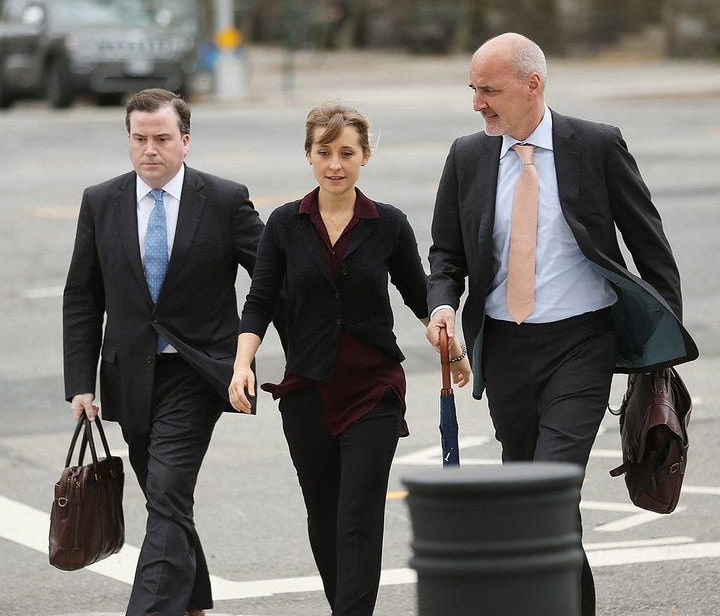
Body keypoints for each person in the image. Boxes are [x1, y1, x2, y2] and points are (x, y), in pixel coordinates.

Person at [425, 33, 698, 616]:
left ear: (533, 85)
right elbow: (445, 255)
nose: (478, 104)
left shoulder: (595, 145)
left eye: (490, 90)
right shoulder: (467, 157)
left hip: (580, 345)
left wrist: (660, 355)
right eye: (473, 90)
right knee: (535, 505)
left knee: (548, 493)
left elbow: (651, 249)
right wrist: (443, 303)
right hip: (504, 350)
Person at [228, 103, 471, 616]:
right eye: (324, 152)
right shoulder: (283, 225)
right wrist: (242, 363)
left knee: (359, 515)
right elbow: (260, 301)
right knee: (324, 515)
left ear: (365, 156)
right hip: (306, 390)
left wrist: (446, 339)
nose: (335, 164)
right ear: (309, 156)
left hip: (373, 390)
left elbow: (420, 294)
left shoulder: (388, 224)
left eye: (346, 153)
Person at [63, 88, 267, 616]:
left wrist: (255, 353)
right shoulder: (101, 200)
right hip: (130, 375)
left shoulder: (223, 199)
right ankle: (193, 602)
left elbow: (270, 281)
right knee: (164, 497)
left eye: (161, 138)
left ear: (185, 142)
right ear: (128, 141)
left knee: (169, 487)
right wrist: (81, 382)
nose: (149, 149)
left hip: (198, 371)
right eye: (139, 139)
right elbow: (83, 295)